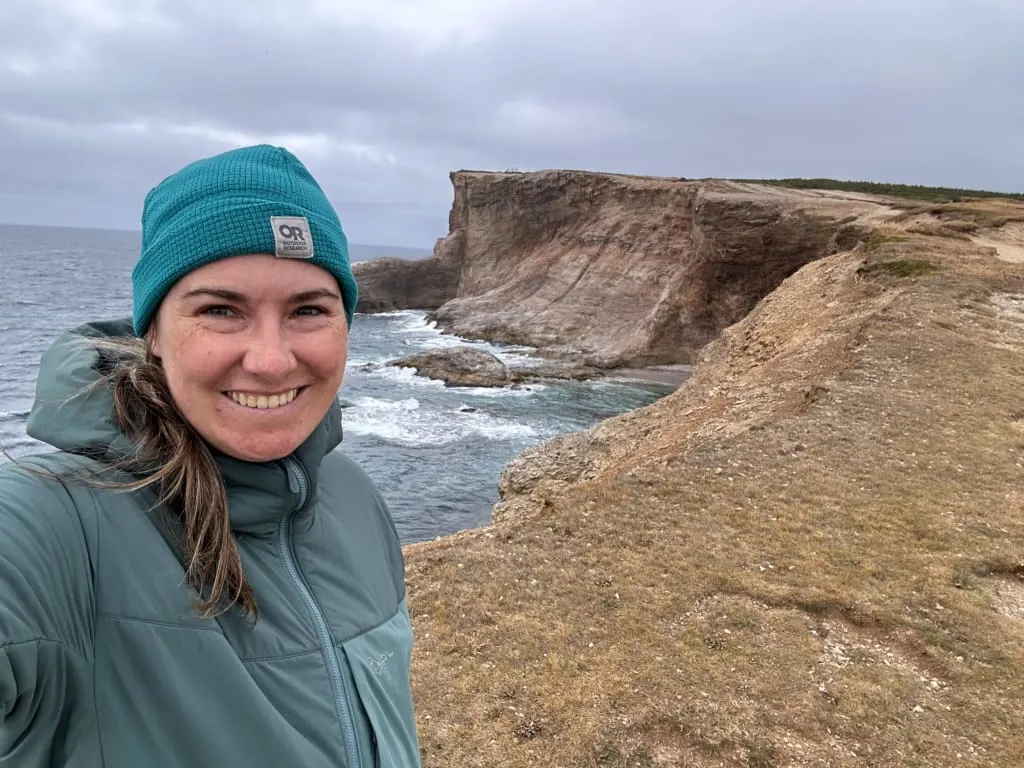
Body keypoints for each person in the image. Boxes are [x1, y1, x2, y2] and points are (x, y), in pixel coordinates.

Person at [0, 145, 422, 767]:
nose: (272, 359)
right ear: (152, 335)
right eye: (220, 310)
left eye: (309, 309)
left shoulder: (351, 493)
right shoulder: (51, 523)